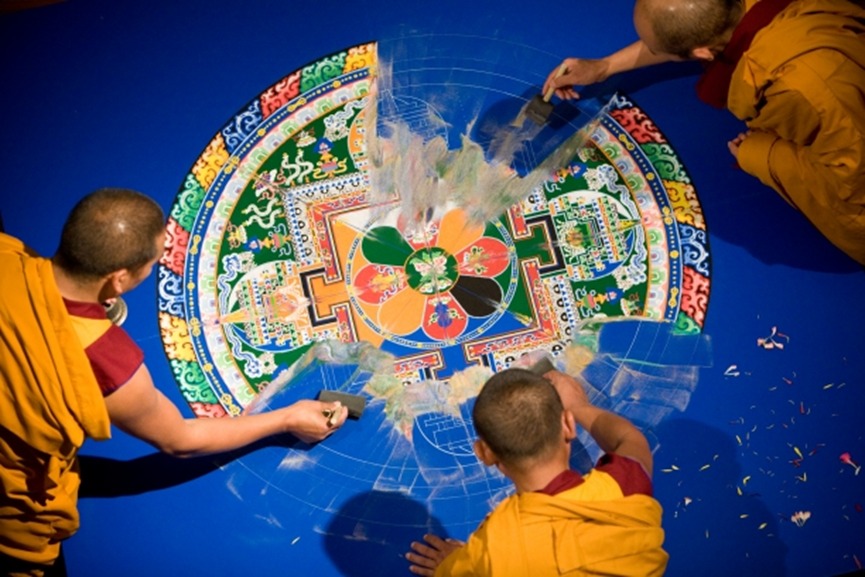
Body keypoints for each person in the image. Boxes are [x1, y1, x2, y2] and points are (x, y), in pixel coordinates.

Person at [0, 188, 349, 576]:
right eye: (152, 263)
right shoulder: (105, 360)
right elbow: (181, 440)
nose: (154, 269)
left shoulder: (7, 254)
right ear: (118, 280)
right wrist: (286, 420)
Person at [543, 0, 865, 265]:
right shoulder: (743, 13)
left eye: (656, 49)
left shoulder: (804, 89)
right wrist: (605, 66)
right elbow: (686, 37)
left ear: (703, 54)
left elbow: (853, 198)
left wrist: (762, 155)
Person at [405, 367, 668, 576]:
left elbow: (465, 570)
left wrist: (449, 566)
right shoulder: (622, 488)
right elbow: (631, 440)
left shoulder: (494, 547)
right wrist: (579, 407)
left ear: (484, 453)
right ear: (567, 425)